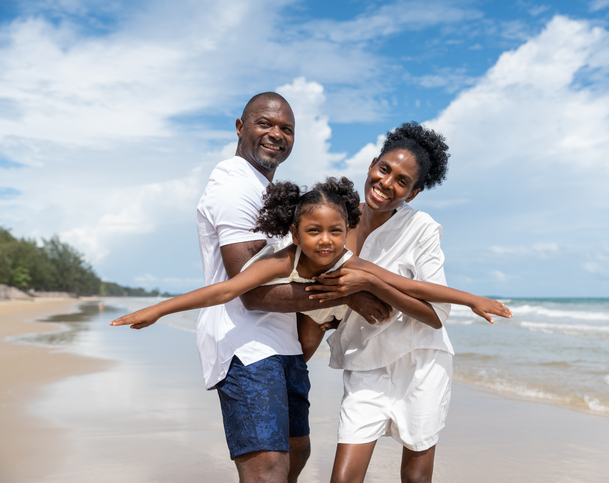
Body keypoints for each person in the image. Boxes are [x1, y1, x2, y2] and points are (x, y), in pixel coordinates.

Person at [114, 92, 391, 483]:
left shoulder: (264, 189)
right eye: (265, 124)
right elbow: (250, 291)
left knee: (297, 450)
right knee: (268, 469)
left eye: (286, 129)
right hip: (245, 345)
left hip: (283, 345)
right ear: (241, 127)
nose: (276, 134)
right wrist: (348, 293)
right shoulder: (233, 186)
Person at [240, 122, 512, 483]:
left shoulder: (423, 228)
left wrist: (368, 283)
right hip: (364, 361)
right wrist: (347, 297)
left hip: (420, 361)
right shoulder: (338, 215)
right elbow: (303, 263)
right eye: (384, 169)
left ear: (412, 194)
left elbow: (433, 317)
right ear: (372, 165)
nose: (387, 183)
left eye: (402, 181)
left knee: (415, 477)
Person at [111, 176, 507, 356]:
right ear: (296, 234)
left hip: (336, 315)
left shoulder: (355, 263)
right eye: (314, 231)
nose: (326, 240)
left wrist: (472, 299)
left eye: (336, 231)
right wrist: (158, 310)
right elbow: (227, 289)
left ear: (347, 229)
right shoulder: (288, 258)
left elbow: (416, 288)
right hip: (313, 317)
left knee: (360, 302)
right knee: (301, 355)